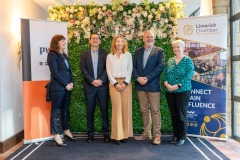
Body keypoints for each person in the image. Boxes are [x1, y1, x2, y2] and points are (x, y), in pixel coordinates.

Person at [133, 30, 165, 145]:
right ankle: (146, 133)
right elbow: (134, 67)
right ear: (143, 38)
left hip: (153, 85)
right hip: (140, 85)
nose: (150, 39)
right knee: (144, 110)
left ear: (154, 38)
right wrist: (138, 78)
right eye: (147, 37)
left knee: (155, 111)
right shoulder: (137, 52)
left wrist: (147, 78)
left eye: (151, 37)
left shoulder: (159, 51)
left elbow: (160, 66)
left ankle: (157, 135)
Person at [80, 33, 110, 143]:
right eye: (93, 38)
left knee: (104, 111)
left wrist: (101, 80)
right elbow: (83, 70)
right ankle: (90, 134)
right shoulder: (84, 54)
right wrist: (92, 81)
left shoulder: (105, 54)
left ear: (100, 41)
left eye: (97, 39)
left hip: (102, 87)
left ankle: (106, 133)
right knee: (90, 111)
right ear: (90, 41)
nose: (95, 40)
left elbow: (108, 68)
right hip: (89, 87)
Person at [163, 39, 194, 146]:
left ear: (183, 48)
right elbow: (166, 74)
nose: (176, 49)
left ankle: (182, 137)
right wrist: (166, 84)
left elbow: (189, 75)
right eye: (174, 47)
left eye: (178, 47)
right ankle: (175, 136)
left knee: (181, 114)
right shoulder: (170, 60)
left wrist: (178, 85)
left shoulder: (187, 60)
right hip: (169, 90)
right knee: (173, 114)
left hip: (182, 90)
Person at [47, 34, 76, 147]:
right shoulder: (52, 55)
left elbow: (69, 71)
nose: (65, 42)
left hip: (68, 87)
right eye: (62, 41)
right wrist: (65, 84)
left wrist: (72, 82)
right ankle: (56, 134)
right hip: (58, 88)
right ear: (56, 43)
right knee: (56, 110)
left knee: (65, 109)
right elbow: (55, 73)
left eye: (65, 41)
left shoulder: (64, 55)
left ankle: (66, 130)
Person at [106, 35, 133, 145]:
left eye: (122, 41)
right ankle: (117, 136)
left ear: (124, 43)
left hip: (126, 83)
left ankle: (125, 135)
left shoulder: (128, 55)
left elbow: (130, 69)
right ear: (114, 43)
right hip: (114, 84)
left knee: (126, 108)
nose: (120, 43)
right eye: (118, 41)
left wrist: (125, 83)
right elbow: (108, 71)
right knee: (117, 108)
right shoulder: (109, 56)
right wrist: (116, 83)